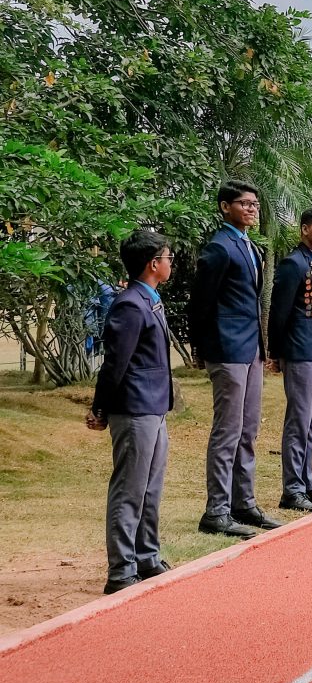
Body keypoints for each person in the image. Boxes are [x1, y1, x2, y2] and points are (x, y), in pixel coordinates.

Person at [187, 179, 283, 538]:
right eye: (244, 204)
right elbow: (201, 304)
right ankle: (216, 510)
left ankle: (244, 502)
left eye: (255, 204)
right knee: (227, 430)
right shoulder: (219, 248)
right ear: (225, 207)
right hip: (226, 349)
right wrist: (201, 347)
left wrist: (263, 347)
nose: (252, 209)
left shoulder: (250, 247)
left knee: (249, 429)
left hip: (252, 349)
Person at [88, 229, 177, 593]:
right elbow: (115, 364)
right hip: (135, 408)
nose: (172, 263)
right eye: (168, 258)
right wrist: (100, 407)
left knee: (151, 488)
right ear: (153, 264)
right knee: (130, 489)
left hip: (154, 406)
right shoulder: (130, 303)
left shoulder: (150, 298)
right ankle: (121, 569)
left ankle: (147, 556)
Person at [268, 208, 312, 506]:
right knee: (299, 420)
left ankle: (307, 481)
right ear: (304, 229)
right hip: (299, 350)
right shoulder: (293, 263)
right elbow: (280, 312)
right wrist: (276, 352)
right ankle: (292, 488)